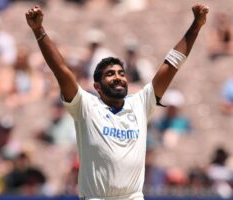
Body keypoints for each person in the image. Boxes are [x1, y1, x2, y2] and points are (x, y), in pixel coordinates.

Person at [26, 4, 208, 200]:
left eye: (121, 73)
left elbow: (172, 65)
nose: (118, 77)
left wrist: (196, 26)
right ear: (97, 86)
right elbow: (61, 70)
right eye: (110, 74)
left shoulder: (140, 104)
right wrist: (39, 30)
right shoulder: (86, 106)